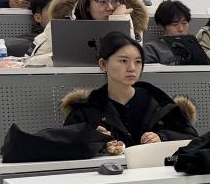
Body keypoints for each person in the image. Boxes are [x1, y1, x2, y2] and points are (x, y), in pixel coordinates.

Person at [60, 32, 197, 155]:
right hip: (108, 172)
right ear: (103, 64)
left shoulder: (157, 100)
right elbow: (63, 146)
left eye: (138, 62)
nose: (132, 68)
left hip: (154, 171)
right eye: (123, 61)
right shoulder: (88, 107)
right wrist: (93, 140)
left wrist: (163, 138)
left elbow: (192, 139)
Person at [28, 0, 148, 66]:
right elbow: (31, 63)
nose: (110, 7)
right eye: (102, 1)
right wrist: (64, 57)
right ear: (86, 5)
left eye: (115, 1)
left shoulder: (129, 22)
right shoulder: (62, 25)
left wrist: (119, 23)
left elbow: (132, 63)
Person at [143, 0, 210, 66]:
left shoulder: (195, 46)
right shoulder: (151, 48)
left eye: (184, 23)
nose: (181, 29)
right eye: (174, 24)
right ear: (161, 26)